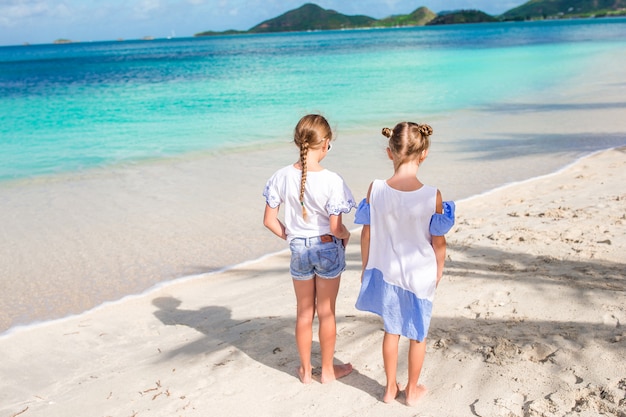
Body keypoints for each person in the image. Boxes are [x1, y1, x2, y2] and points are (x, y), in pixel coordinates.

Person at [354, 122, 455, 405]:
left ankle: (389, 389)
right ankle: (411, 390)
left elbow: (366, 233)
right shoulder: (432, 195)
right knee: (417, 333)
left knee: (392, 330)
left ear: (390, 153)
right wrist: (439, 270)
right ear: (424, 154)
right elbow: (439, 241)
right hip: (421, 273)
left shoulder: (375, 189)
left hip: (387, 271)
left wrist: (365, 266)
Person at [263, 114, 356, 384]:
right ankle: (327, 371)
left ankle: (305, 371)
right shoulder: (332, 180)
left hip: (298, 250)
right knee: (326, 312)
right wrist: (345, 236)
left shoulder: (280, 176)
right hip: (327, 247)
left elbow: (269, 221)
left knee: (304, 312)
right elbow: (336, 226)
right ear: (325, 144)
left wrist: (294, 238)